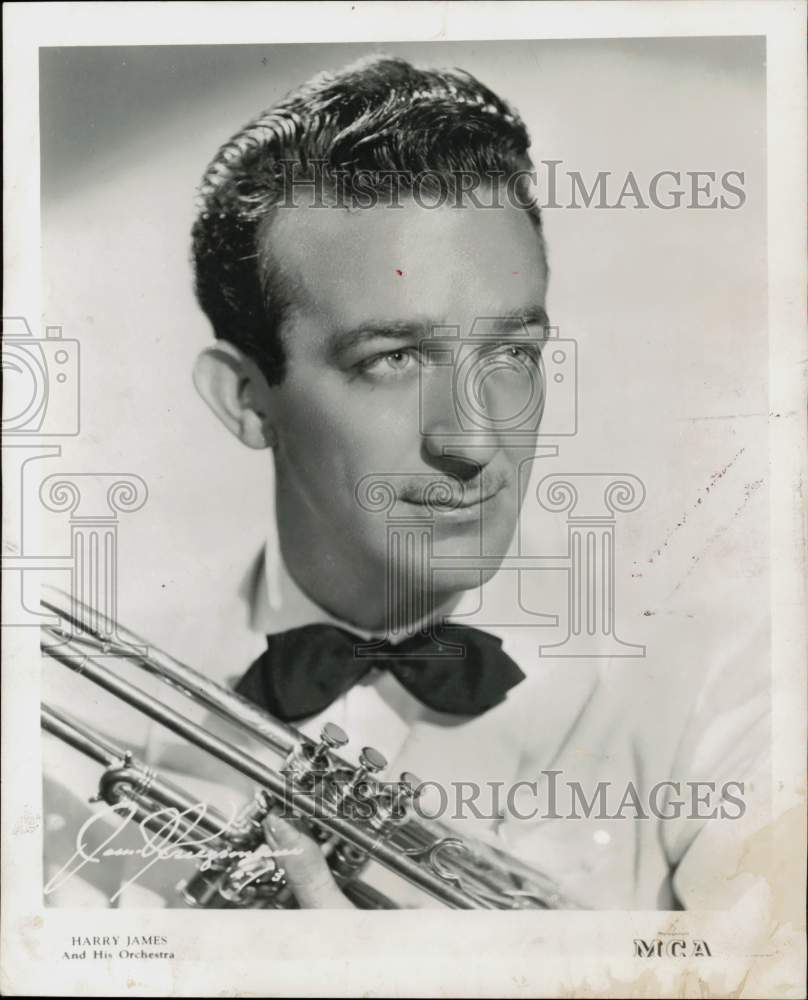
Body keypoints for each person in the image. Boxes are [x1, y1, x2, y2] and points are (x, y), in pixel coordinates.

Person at [41, 55, 769, 911]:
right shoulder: (55, 718)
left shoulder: (722, 688)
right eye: (393, 359)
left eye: (512, 355)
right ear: (246, 401)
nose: (473, 438)